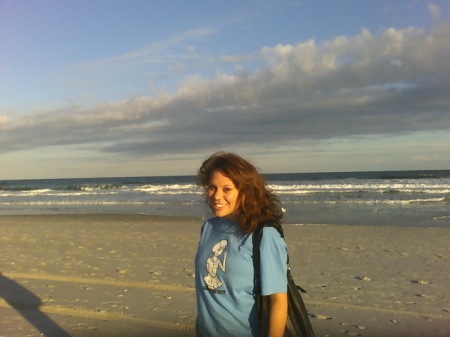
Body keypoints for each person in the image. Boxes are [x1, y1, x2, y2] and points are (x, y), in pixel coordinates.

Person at [195, 152, 288, 337]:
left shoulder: (263, 234)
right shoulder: (209, 228)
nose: (217, 196)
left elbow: (278, 299)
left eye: (227, 189)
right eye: (212, 188)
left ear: (245, 191)